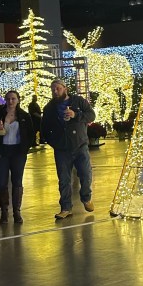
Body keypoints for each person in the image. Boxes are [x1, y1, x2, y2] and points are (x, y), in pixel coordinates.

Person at [41, 79, 96, 220]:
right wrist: (53, 142)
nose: (55, 91)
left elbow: (91, 115)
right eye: (53, 89)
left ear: (65, 88)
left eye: (58, 88)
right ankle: (66, 208)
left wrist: (76, 115)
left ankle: (86, 198)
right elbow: (44, 128)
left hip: (80, 145)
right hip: (62, 149)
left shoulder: (78, 101)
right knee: (64, 179)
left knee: (85, 174)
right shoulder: (49, 108)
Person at [0, 89, 35, 224]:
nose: (10, 101)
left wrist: (24, 149)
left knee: (17, 182)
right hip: (1, 153)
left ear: (18, 100)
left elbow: (31, 134)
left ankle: (17, 212)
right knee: (1, 183)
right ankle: (4, 211)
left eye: (13, 98)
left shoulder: (24, 116)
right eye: (8, 99)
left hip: (18, 153)